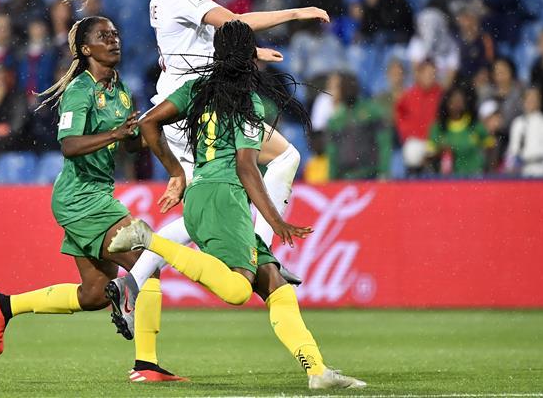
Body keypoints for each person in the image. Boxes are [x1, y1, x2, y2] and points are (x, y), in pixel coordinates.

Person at [57, 0, 329, 379]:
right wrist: (296, 13)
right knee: (274, 161)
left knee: (216, 195)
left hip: (193, 102)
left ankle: (133, 280)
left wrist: (249, 53)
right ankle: (255, 251)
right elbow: (235, 24)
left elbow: (207, 41)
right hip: (194, 108)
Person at [112, 20, 366, 391]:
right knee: (237, 290)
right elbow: (247, 168)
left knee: (274, 283)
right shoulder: (248, 102)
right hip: (225, 200)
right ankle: (150, 241)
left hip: (202, 193)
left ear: (216, 54)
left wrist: (175, 171)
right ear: (250, 57)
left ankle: (317, 371)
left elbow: (148, 124)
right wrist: (275, 219)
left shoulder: (195, 89)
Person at [0, 17, 184, 374]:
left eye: (115, 34)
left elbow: (129, 145)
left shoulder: (120, 90)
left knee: (93, 294)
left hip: (95, 193)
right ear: (86, 49)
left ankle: (4, 306)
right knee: (147, 262)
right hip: (80, 198)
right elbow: (70, 145)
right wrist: (116, 135)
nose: (114, 40)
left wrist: (145, 130)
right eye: (104, 36)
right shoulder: (79, 90)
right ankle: (146, 364)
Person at [427, 86, 494, 176]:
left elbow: (491, 148)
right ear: (447, 103)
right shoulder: (438, 127)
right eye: (454, 101)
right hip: (446, 177)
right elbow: (429, 155)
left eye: (460, 100)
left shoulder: (474, 124)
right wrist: (441, 150)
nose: (457, 104)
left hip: (475, 174)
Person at [505, 87, 543, 178]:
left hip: (541, 169)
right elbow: (513, 149)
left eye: (534, 99)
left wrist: (529, 156)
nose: (530, 102)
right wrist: (510, 165)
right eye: (528, 98)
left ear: (539, 102)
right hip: (522, 170)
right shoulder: (518, 122)